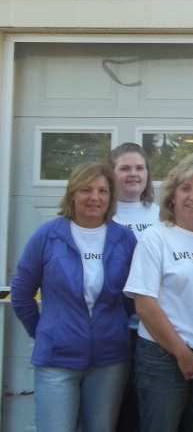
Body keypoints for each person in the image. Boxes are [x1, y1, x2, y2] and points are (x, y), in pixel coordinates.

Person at [11, 162, 137, 432]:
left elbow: (131, 297)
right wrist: (47, 331)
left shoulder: (124, 239)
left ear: (111, 197)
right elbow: (21, 294)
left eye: (103, 191)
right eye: (86, 189)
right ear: (72, 194)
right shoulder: (47, 235)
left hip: (109, 360)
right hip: (57, 359)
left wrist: (111, 326)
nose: (95, 197)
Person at [124, 154, 193, 432]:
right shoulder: (156, 238)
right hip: (164, 358)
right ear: (172, 196)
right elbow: (145, 305)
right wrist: (182, 353)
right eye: (186, 188)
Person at [110, 142, 161, 432]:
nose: (133, 174)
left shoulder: (161, 216)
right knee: (116, 410)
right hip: (114, 331)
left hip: (153, 331)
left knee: (146, 409)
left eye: (139, 168)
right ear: (111, 172)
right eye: (125, 168)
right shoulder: (102, 215)